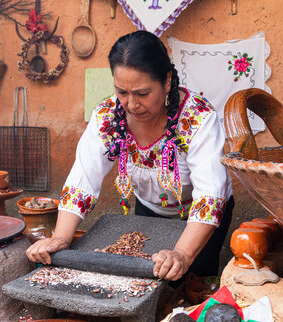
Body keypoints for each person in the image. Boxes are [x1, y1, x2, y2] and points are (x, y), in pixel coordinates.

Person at [26, 30, 234, 281]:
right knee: (146, 279)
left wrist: (182, 254)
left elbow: (210, 196)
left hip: (199, 218)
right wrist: (60, 238)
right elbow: (83, 178)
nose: (132, 104)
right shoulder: (108, 117)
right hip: (148, 209)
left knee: (191, 280)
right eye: (122, 92)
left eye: (143, 93)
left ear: (167, 81)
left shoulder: (198, 119)